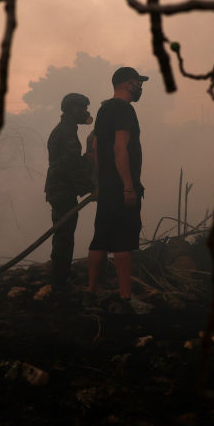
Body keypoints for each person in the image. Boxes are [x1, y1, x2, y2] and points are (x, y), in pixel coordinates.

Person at [86, 67, 152, 315]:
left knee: (100, 238)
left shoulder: (104, 109)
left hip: (106, 186)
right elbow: (120, 149)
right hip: (121, 186)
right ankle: (126, 299)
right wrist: (127, 186)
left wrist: (100, 184)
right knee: (123, 241)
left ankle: (90, 294)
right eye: (138, 82)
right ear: (127, 84)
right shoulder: (124, 110)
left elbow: (94, 149)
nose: (140, 87)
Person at [44, 92, 95, 288]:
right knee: (64, 235)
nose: (85, 112)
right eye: (82, 108)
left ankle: (61, 274)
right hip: (62, 190)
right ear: (72, 109)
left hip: (60, 189)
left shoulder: (67, 129)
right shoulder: (66, 133)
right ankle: (59, 280)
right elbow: (70, 166)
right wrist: (90, 187)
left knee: (64, 233)